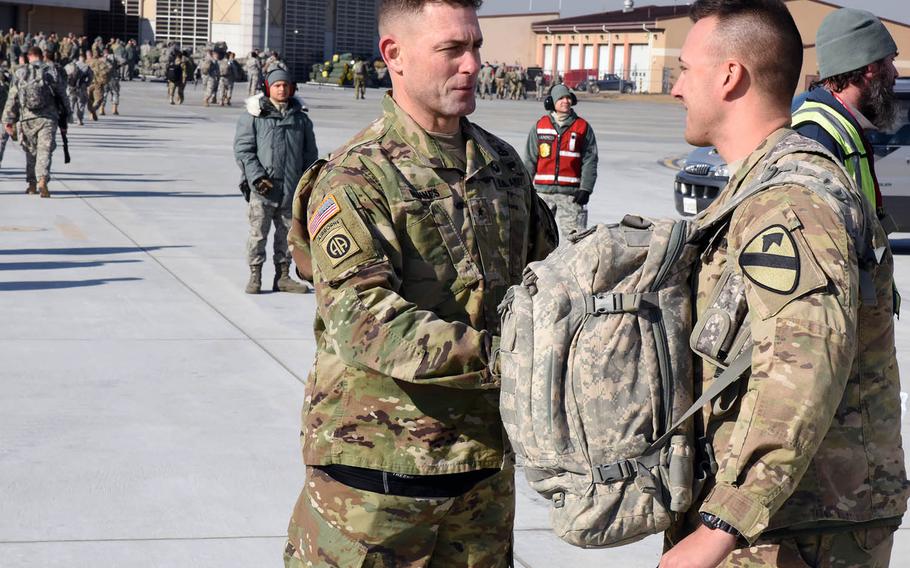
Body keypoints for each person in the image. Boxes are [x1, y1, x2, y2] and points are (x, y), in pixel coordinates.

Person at [282, 1, 558, 566]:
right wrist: (514, 359)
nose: (473, 64)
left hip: (480, 469)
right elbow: (365, 321)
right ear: (394, 56)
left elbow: (547, 280)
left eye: (476, 46)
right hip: (377, 475)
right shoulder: (357, 176)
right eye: (451, 49)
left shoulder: (502, 166)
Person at [660, 1, 909, 567]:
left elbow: (803, 365)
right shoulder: (768, 184)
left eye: (685, 70)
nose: (676, 88)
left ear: (729, 77)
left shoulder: (788, 200)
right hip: (787, 516)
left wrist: (721, 525)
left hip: (795, 528)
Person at [791, 8, 899, 228]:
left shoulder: (843, 126)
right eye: (890, 61)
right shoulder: (816, 134)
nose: (895, 73)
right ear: (870, 67)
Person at [234, 67, 317, 294]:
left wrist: (307, 185)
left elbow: (310, 156)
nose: (282, 89)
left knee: (289, 237)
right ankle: (255, 275)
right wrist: (257, 177)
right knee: (258, 234)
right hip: (263, 190)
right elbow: (244, 151)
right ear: (268, 88)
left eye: (285, 85)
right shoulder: (254, 117)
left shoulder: (301, 120)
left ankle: (283, 276)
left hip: (290, 190)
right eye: (277, 85)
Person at [523, 83, 598, 238]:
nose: (565, 101)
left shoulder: (582, 127)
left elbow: (590, 160)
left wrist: (586, 189)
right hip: (542, 195)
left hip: (570, 196)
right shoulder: (540, 126)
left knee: (575, 240)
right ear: (552, 102)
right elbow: (530, 160)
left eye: (568, 98)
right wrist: (525, 188)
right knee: (536, 238)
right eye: (561, 98)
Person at [2, 46, 69, 197]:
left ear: (29, 56)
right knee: (44, 150)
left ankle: (32, 185)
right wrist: (66, 118)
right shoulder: (52, 71)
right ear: (41, 56)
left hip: (27, 118)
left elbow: (12, 97)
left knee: (31, 152)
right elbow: (62, 95)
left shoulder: (21, 71)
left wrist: (8, 120)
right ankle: (42, 180)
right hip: (48, 118)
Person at [64, 52, 92, 125]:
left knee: (71, 103)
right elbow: (91, 77)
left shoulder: (69, 66)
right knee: (81, 104)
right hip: (81, 87)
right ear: (84, 59)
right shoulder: (86, 67)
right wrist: (86, 84)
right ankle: (79, 120)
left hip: (70, 87)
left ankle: (69, 118)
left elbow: (63, 75)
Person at [86, 49, 110, 121]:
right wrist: (104, 81)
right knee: (98, 99)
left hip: (88, 84)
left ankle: (91, 113)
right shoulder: (101, 63)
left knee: (90, 99)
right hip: (97, 84)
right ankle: (93, 110)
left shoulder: (86, 62)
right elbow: (106, 72)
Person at [102, 46, 121, 115]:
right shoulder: (114, 56)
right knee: (115, 93)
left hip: (104, 78)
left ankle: (102, 109)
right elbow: (124, 61)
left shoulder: (101, 58)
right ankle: (114, 109)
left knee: (104, 93)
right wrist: (117, 66)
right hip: (114, 77)